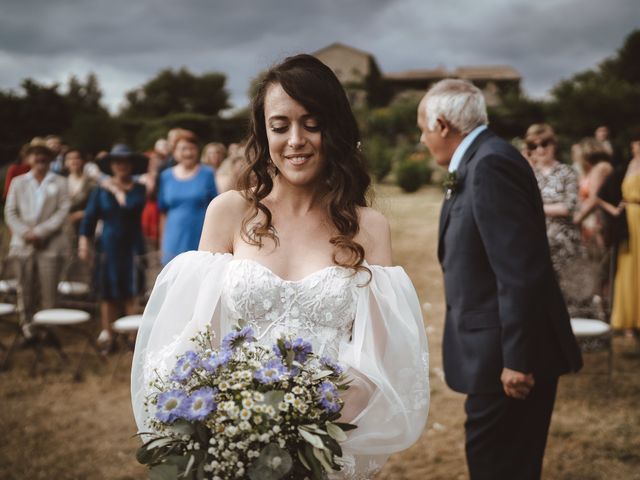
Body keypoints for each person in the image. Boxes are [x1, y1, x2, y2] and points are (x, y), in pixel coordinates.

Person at [132, 54, 430, 479]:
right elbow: (197, 339)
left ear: (336, 128)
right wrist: (236, 435)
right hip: (234, 445)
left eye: (312, 123)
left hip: (324, 450)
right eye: (280, 125)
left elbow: (373, 361)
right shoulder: (229, 213)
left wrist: (299, 437)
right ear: (262, 131)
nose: (296, 140)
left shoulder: (368, 230)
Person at [417, 79, 581, 480]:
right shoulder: (482, 160)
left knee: (499, 467)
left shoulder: (489, 164)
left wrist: (518, 360)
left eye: (422, 128)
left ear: (441, 124)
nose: (421, 139)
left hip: (507, 363)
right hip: (494, 355)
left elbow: (520, 269)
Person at [78, 144, 148, 352]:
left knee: (131, 291)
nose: (121, 165)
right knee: (107, 292)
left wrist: (117, 190)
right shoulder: (100, 190)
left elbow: (131, 207)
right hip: (107, 245)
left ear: (131, 165)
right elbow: (89, 218)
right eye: (117, 161)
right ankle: (108, 335)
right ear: (111, 165)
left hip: (132, 244)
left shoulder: (139, 189)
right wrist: (83, 241)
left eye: (125, 161)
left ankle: (131, 335)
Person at [4, 145, 71, 338]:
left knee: (49, 288)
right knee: (24, 288)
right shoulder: (18, 182)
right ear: (28, 159)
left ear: (49, 160)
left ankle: (50, 329)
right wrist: (26, 233)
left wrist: (40, 233)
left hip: (49, 243)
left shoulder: (60, 182)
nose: (39, 162)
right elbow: (10, 211)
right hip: (23, 244)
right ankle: (28, 329)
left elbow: (62, 211)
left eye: (43, 158)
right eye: (35, 157)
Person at [527, 124, 581, 294]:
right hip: (535, 243)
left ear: (553, 145)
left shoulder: (567, 172)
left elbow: (568, 207)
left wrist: (537, 208)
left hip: (563, 245)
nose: (539, 150)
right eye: (533, 146)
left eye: (544, 144)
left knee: (565, 295)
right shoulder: (528, 174)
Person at [599, 130, 640, 337]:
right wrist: (614, 209)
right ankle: (628, 321)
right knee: (627, 268)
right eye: (636, 143)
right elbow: (601, 194)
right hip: (628, 221)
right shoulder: (623, 169)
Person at [157, 131, 218, 264]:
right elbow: (163, 213)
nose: (188, 153)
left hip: (200, 238)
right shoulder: (165, 176)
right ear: (175, 152)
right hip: (172, 240)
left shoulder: (207, 173)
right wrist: (162, 243)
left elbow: (216, 208)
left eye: (192, 148)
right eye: (184, 149)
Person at [63, 149, 97, 247]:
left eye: (77, 158)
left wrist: (81, 214)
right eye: (69, 158)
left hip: (86, 226)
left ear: (83, 161)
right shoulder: (60, 182)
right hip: (65, 228)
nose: (73, 161)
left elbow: (97, 206)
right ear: (65, 162)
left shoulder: (92, 183)